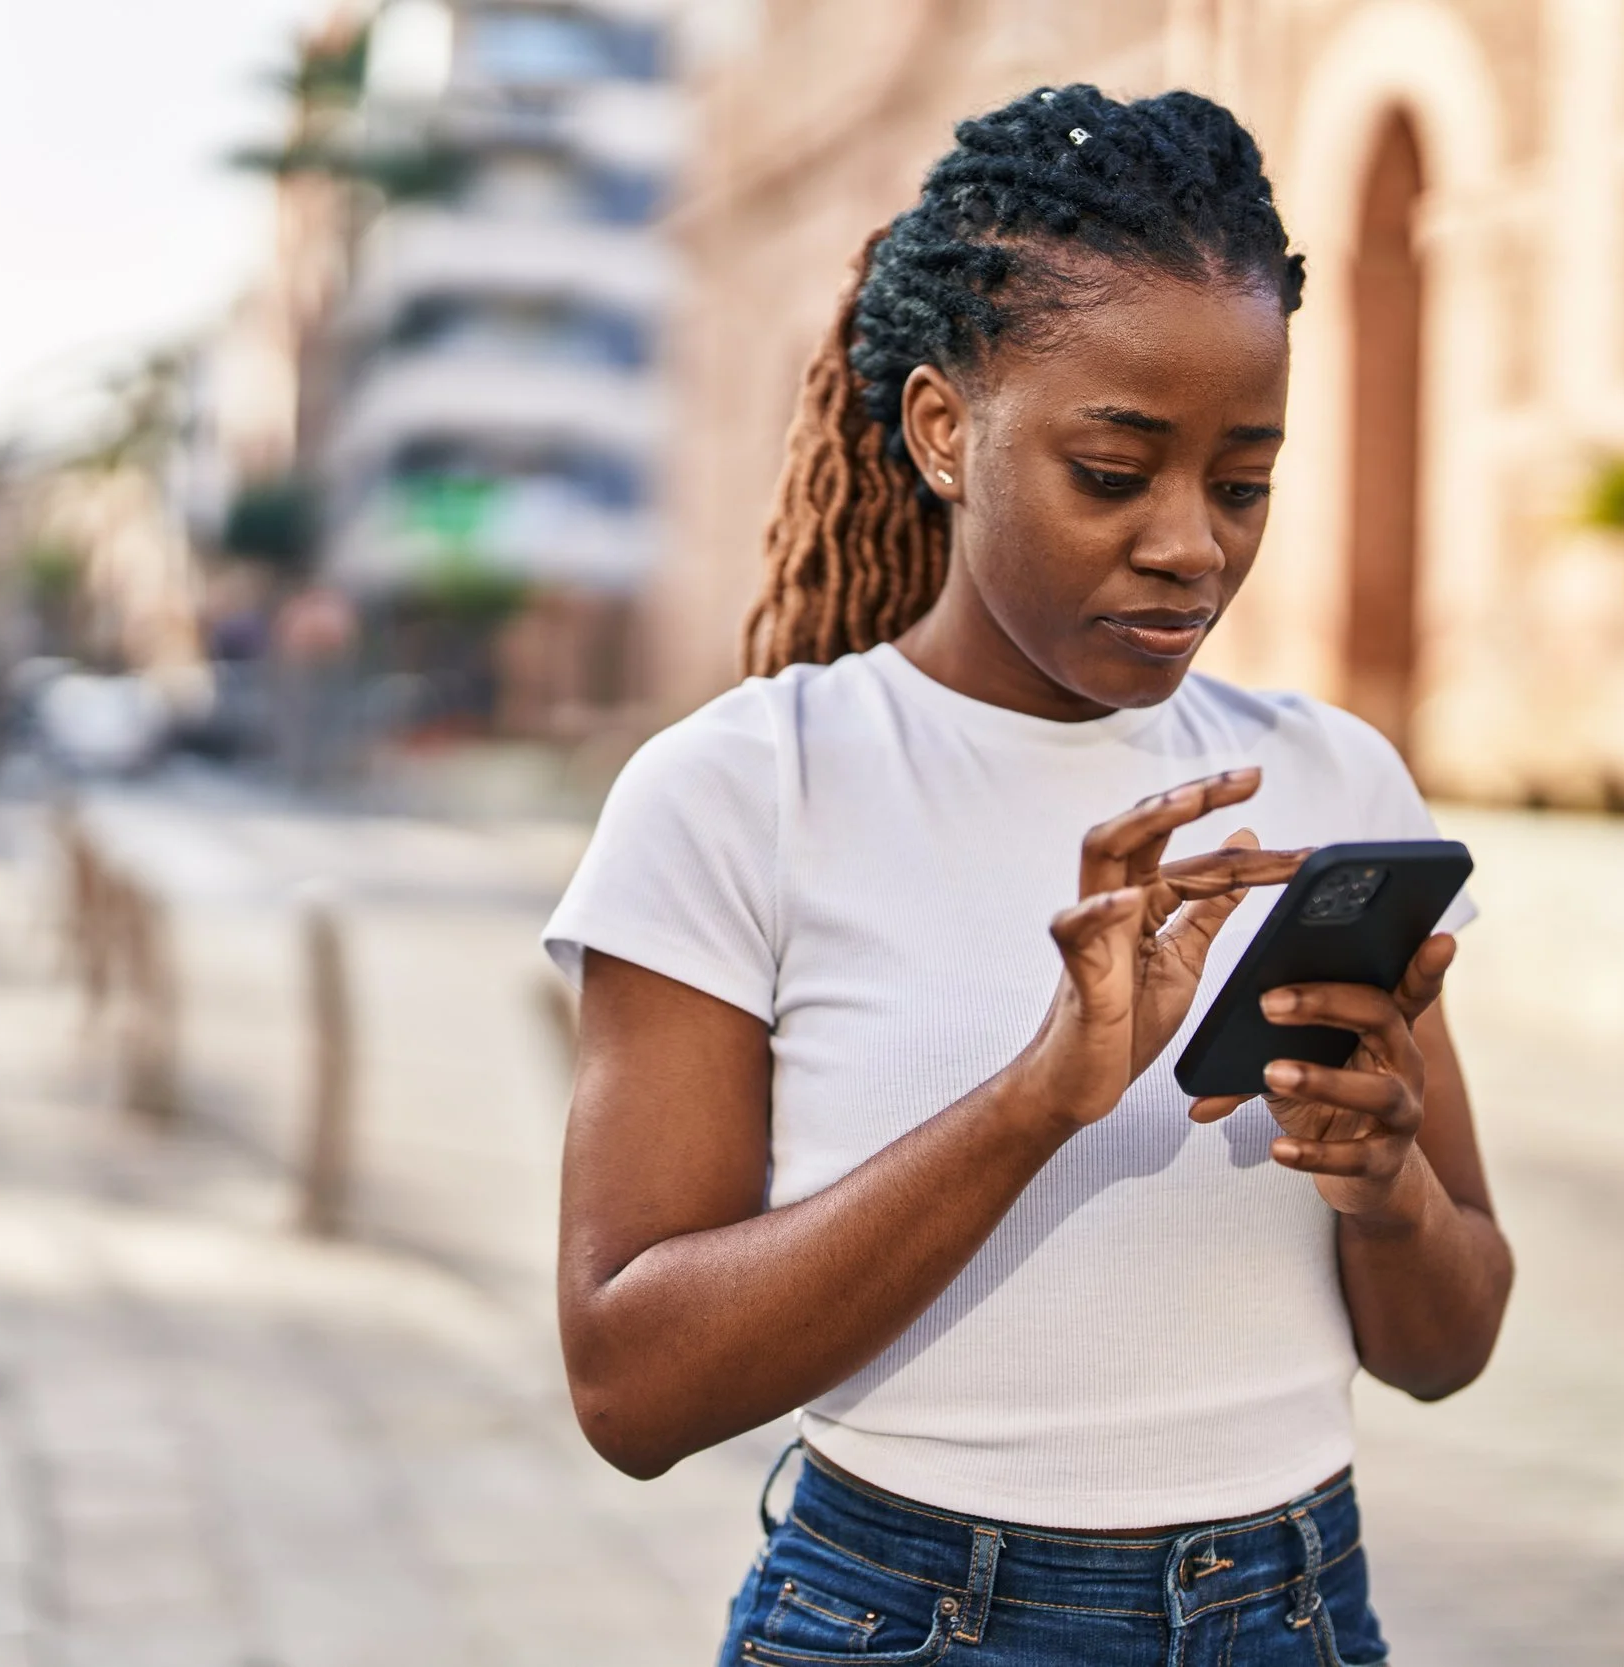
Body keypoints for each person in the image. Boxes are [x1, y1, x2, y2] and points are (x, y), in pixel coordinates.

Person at [542, 85, 1512, 1667]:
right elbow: (628, 1387)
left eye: (1243, 480)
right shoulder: (746, 790)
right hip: (908, 1618)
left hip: (1293, 1612)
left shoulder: (1332, 782)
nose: (1192, 544)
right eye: (1116, 471)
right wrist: (1035, 1098)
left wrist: (1385, 1183)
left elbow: (1448, 1349)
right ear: (943, 429)